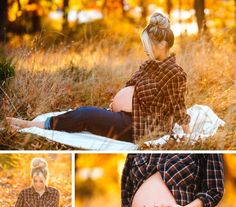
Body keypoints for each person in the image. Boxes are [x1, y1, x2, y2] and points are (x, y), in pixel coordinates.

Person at [6, 12, 190, 143]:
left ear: (163, 44)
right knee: (83, 113)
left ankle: (32, 124)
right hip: (127, 116)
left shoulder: (175, 73)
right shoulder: (149, 64)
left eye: (148, 45)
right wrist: (117, 103)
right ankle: (42, 123)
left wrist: (187, 134)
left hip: (141, 127)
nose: (144, 49)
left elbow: (178, 106)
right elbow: (131, 87)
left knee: (85, 115)